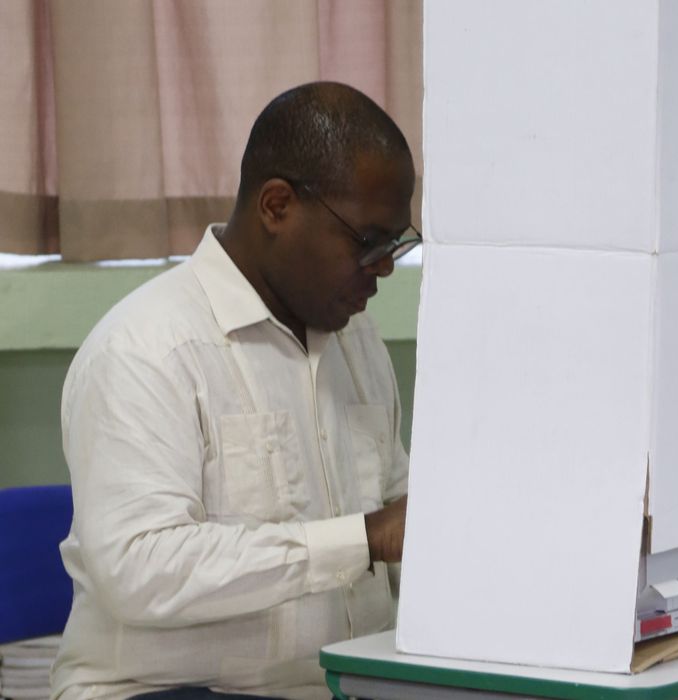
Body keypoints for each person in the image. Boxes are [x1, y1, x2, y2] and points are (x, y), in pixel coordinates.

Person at [51, 82, 419, 700]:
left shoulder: (355, 341)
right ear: (276, 206)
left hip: (340, 684)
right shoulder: (147, 350)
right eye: (369, 243)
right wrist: (363, 539)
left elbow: (399, 512)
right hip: (166, 690)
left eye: (397, 246)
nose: (383, 269)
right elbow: (140, 570)